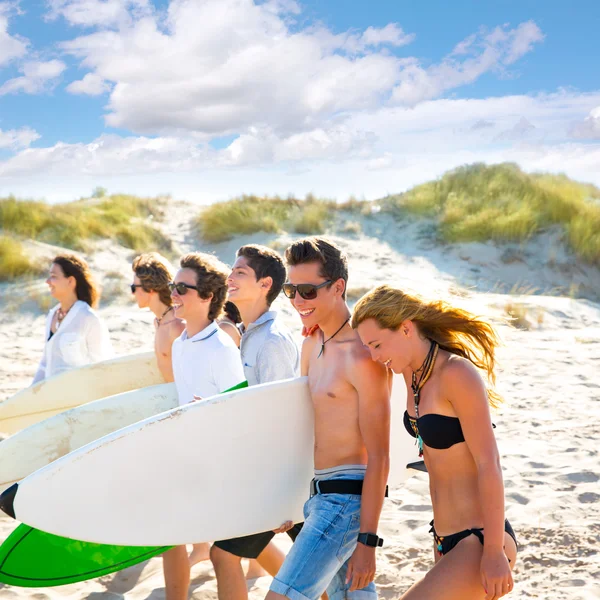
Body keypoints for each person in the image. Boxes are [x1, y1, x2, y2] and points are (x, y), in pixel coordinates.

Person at [351, 285, 518, 600]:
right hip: (443, 537)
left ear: (406, 328)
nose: (374, 356)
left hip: (480, 538)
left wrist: (494, 550)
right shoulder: (411, 373)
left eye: (376, 345)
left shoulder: (456, 374)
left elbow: (489, 464)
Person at [266, 237, 391, 600]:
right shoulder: (310, 342)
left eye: (307, 291)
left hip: (347, 502)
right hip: (317, 495)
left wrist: (368, 541)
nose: (298, 302)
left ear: (338, 287)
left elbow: (380, 456)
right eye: (291, 291)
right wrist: (290, 500)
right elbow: (304, 427)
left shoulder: (362, 356)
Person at [210, 244, 301, 598]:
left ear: (265, 285)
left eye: (240, 273)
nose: (229, 278)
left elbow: (280, 420)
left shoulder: (272, 341)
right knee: (324, 571)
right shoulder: (248, 334)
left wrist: (277, 492)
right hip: (275, 475)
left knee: (223, 553)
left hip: (283, 476)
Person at [163, 252, 246, 600]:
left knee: (226, 554)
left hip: (223, 469)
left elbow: (241, 414)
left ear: (209, 297)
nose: (174, 294)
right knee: (175, 538)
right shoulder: (181, 344)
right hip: (192, 464)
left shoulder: (220, 348)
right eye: (172, 285)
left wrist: (211, 415)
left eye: (182, 287)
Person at [33, 254, 113, 384]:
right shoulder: (52, 315)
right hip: (53, 397)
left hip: (78, 398)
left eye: (53, 276)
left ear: (70, 281)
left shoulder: (88, 318)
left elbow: (101, 365)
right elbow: (45, 363)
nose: (48, 281)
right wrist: (30, 393)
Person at [131, 252, 185, 382]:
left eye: (134, 287)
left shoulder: (177, 325)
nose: (133, 293)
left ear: (150, 288)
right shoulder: (159, 322)